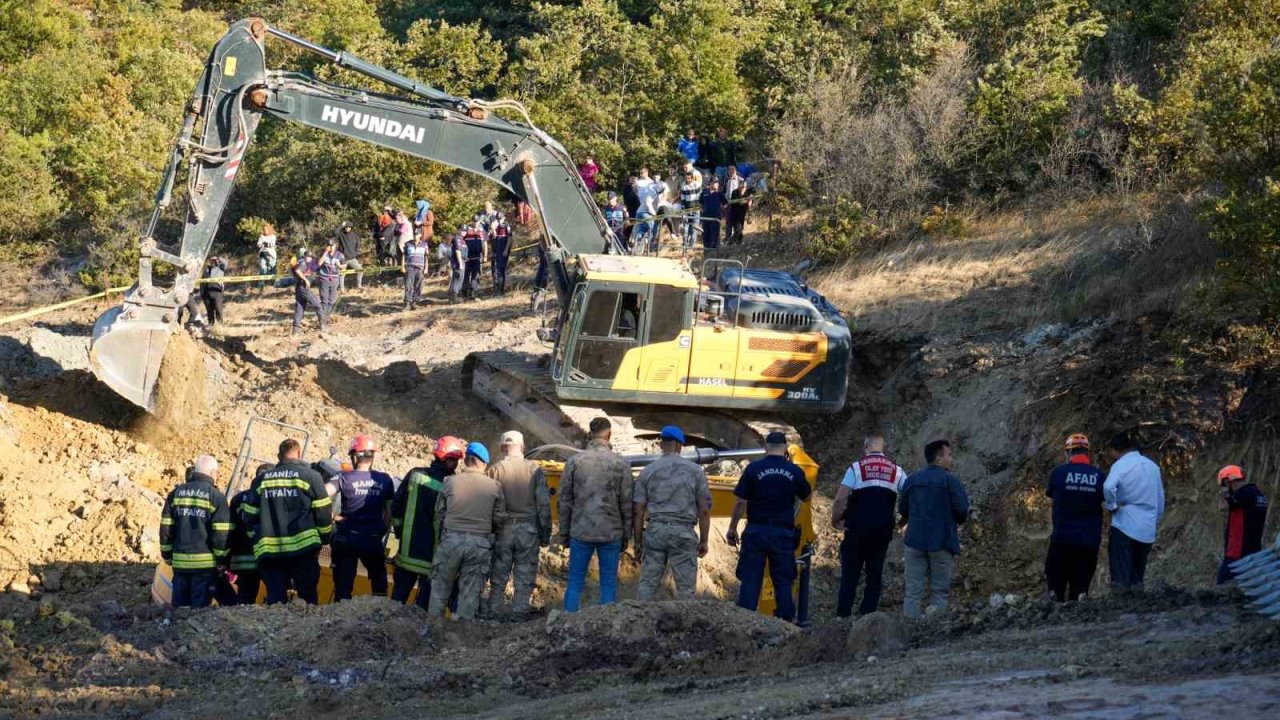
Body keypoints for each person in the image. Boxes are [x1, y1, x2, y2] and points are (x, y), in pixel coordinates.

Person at [726, 431, 810, 621]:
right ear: (785, 448)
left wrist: (732, 528)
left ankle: (745, 621)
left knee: (750, 578)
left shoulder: (754, 469)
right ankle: (786, 624)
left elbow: (740, 502)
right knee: (783, 580)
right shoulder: (794, 471)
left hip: (756, 531)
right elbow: (806, 496)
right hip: (782, 533)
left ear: (766, 447)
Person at [241, 439, 333, 605]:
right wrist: (324, 538)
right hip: (303, 550)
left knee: (276, 600)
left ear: (279, 456)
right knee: (307, 598)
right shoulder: (311, 476)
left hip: (270, 552)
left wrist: (254, 538)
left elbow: (249, 516)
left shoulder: (261, 481)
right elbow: (323, 511)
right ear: (299, 454)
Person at [559, 417, 633, 612]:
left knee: (575, 583)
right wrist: (627, 535)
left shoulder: (574, 462)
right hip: (611, 533)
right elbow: (627, 503)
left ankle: (567, 624)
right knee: (608, 585)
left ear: (590, 434)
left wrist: (564, 534)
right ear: (609, 435)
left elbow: (564, 501)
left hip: (581, 532)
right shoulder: (621, 464)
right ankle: (605, 628)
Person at [831, 432, 907, 617]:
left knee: (850, 575)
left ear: (866, 446)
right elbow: (911, 495)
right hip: (882, 530)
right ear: (883, 448)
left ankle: (843, 616)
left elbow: (840, 499)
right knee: (875, 575)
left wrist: (835, 520)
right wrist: (903, 520)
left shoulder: (856, 468)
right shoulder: (896, 470)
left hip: (856, 529)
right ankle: (868, 616)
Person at [634, 425, 712, 601]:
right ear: (679, 445)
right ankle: (688, 625)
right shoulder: (695, 471)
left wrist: (638, 542)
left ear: (662, 444)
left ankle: (638, 623)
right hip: (683, 532)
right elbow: (704, 510)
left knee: (647, 584)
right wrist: (704, 540)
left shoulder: (648, 471)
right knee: (686, 590)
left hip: (656, 531)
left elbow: (638, 511)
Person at [429, 442, 503, 620]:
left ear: (467, 461)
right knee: (469, 596)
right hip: (479, 545)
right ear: (483, 463)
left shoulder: (449, 482)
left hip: (451, 541)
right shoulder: (495, 487)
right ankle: (460, 640)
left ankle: (431, 630)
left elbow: (439, 514)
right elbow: (499, 519)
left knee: (439, 590)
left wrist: (442, 539)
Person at [391, 435, 465, 610]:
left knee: (394, 605)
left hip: (406, 555)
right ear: (444, 459)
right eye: (453, 460)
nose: (456, 465)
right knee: (422, 611)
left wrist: (401, 534)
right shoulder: (453, 487)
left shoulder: (415, 475)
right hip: (433, 561)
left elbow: (397, 508)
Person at [898, 439, 970, 618]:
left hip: (914, 541)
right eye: (949, 455)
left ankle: (910, 631)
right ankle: (934, 632)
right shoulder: (950, 481)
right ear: (939, 458)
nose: (952, 459)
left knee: (913, 592)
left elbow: (902, 509)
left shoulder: (912, 480)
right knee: (939, 591)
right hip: (942, 541)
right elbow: (962, 510)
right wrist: (956, 521)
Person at [486, 431, 552, 615]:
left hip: (502, 530)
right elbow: (544, 505)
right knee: (524, 574)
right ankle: (519, 611)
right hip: (528, 530)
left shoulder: (494, 470)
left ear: (502, 447)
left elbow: (487, 504)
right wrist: (545, 534)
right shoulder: (534, 470)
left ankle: (494, 609)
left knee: (498, 574)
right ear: (523, 447)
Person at [324, 435, 394, 601]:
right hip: (373, 539)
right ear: (372, 457)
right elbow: (389, 512)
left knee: (343, 587)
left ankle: (339, 614)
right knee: (379, 584)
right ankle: (379, 616)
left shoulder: (343, 477)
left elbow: (322, 494)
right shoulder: (385, 480)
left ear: (355, 456)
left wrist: (332, 516)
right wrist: (381, 530)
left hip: (348, 537)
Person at [160, 455, 231, 608]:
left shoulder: (176, 494)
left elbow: (166, 527)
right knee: (198, 611)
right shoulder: (216, 497)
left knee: (179, 609)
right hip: (204, 565)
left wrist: (166, 554)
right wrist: (222, 559)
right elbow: (220, 534)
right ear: (213, 473)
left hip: (180, 563)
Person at [1043, 433, 1105, 602]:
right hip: (1088, 541)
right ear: (1087, 453)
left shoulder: (1058, 473)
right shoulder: (1099, 476)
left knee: (1056, 588)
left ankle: (1056, 620)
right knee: (1080, 589)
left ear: (1068, 453)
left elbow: (1051, 494)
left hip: (1062, 539)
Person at [1103, 432, 1165, 590]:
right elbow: (1160, 500)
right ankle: (1138, 609)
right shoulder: (1153, 467)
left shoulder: (1121, 465)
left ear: (1114, 449)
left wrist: (1112, 506)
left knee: (1121, 576)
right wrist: (1154, 520)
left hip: (1125, 525)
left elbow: (1108, 487)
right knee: (1137, 575)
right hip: (1147, 529)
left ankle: (1121, 610)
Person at [1216, 465, 1268, 584]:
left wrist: (1224, 494)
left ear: (1229, 482)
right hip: (1255, 552)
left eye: (1225, 484)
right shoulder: (1258, 494)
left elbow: (1222, 507)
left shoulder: (1243, 494)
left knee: (1221, 586)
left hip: (1237, 554)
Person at [226, 486, 261, 604]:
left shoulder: (237, 499)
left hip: (240, 556)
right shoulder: (267, 496)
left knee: (245, 595)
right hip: (262, 555)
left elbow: (230, 528)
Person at [291, 248, 326, 335]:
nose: (308, 258)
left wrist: (326, 252)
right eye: (307, 256)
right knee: (317, 305)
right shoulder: (302, 263)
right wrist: (305, 279)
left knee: (300, 308)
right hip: (303, 287)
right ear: (305, 256)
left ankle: (296, 330)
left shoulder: (310, 263)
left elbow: (319, 263)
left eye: (309, 257)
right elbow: (297, 271)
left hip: (299, 288)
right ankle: (323, 325)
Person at [316, 240, 345, 320]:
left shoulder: (340, 255)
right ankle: (323, 318)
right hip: (324, 279)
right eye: (329, 245)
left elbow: (344, 265)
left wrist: (340, 265)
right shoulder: (323, 253)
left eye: (332, 245)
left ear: (335, 245)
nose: (331, 247)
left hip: (335, 279)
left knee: (332, 300)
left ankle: (327, 315)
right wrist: (325, 252)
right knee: (324, 300)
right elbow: (319, 263)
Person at [633, 168, 658, 254]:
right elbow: (648, 204)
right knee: (653, 226)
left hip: (640, 210)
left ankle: (637, 246)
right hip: (644, 211)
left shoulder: (650, 183)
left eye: (642, 173)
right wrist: (654, 214)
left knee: (642, 228)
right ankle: (652, 246)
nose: (641, 175)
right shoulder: (652, 192)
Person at [402, 232, 429, 310]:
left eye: (417, 234)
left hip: (420, 268)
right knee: (408, 286)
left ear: (420, 235)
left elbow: (426, 257)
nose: (415, 236)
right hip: (410, 267)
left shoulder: (424, 244)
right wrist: (403, 266)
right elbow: (404, 256)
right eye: (414, 234)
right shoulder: (407, 244)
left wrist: (426, 268)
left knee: (419, 285)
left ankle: (414, 302)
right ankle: (408, 303)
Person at [462, 216, 487, 299]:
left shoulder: (482, 231)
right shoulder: (467, 230)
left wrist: (485, 256)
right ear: (472, 221)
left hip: (477, 257)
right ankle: (464, 292)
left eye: (477, 221)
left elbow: (484, 244)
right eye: (474, 221)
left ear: (479, 221)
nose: (475, 223)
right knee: (465, 275)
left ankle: (473, 292)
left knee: (475, 275)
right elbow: (461, 242)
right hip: (467, 258)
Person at [200, 256, 228, 327]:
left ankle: (220, 326)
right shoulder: (206, 269)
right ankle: (210, 326)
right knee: (209, 311)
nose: (212, 262)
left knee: (218, 309)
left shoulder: (221, 268)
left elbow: (226, 263)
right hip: (206, 292)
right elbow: (202, 281)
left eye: (214, 260)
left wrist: (219, 258)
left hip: (216, 291)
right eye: (211, 260)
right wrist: (201, 293)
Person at [678, 170, 701, 254]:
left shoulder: (697, 185)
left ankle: (691, 245)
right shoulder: (683, 185)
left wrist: (697, 206)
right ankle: (685, 245)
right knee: (686, 228)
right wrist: (683, 210)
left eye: (689, 178)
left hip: (695, 208)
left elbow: (699, 197)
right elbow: (683, 198)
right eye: (686, 178)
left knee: (694, 227)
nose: (688, 180)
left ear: (692, 178)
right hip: (687, 209)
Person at [489, 213, 513, 295]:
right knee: (497, 270)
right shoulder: (495, 227)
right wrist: (493, 228)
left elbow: (510, 238)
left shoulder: (506, 226)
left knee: (500, 270)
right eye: (498, 219)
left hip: (503, 251)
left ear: (504, 218)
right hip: (497, 251)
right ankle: (498, 289)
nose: (499, 220)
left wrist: (506, 250)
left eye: (500, 219)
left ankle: (500, 290)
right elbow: (491, 239)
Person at [726, 172, 752, 245]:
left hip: (741, 214)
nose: (742, 188)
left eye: (744, 187)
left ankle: (737, 243)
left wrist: (749, 216)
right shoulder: (735, 192)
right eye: (741, 186)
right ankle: (730, 242)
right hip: (733, 213)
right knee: (732, 228)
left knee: (740, 229)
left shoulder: (747, 194)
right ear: (738, 186)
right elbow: (740, 202)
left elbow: (749, 205)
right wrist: (746, 200)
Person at [700, 178, 725, 252]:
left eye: (717, 183)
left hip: (715, 218)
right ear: (710, 183)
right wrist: (703, 211)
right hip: (706, 218)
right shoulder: (704, 193)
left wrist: (721, 211)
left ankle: (713, 252)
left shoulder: (720, 194)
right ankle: (706, 251)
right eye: (715, 182)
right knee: (705, 235)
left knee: (714, 235)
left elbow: (725, 205)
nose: (717, 184)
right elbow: (700, 204)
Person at [337, 221, 363, 290]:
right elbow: (334, 233)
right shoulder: (341, 234)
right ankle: (341, 289)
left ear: (351, 227)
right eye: (346, 227)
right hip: (343, 259)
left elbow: (358, 245)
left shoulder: (355, 235)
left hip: (352, 258)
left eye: (349, 227)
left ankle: (359, 286)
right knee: (342, 274)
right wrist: (341, 225)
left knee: (360, 270)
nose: (347, 228)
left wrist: (355, 253)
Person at [256, 223, 278, 292]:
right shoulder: (261, 236)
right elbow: (258, 244)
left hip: (271, 255)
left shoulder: (273, 236)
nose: (265, 231)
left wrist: (265, 243)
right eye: (264, 229)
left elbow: (272, 244)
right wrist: (264, 243)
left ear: (269, 229)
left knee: (272, 269)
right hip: (263, 254)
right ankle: (261, 285)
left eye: (266, 229)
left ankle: (274, 285)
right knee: (262, 269)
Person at [448, 226, 468, 303]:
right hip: (458, 262)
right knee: (458, 278)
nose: (464, 232)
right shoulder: (458, 239)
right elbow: (458, 251)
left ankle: (452, 296)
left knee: (457, 278)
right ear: (458, 230)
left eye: (465, 230)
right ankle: (454, 297)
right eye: (462, 230)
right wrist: (460, 263)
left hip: (462, 260)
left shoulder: (462, 240)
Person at [622, 176, 641, 250]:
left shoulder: (638, 187)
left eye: (635, 179)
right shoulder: (627, 188)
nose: (633, 180)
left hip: (638, 209)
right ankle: (626, 243)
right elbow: (628, 200)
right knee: (629, 227)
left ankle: (633, 243)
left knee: (636, 227)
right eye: (632, 179)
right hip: (631, 210)